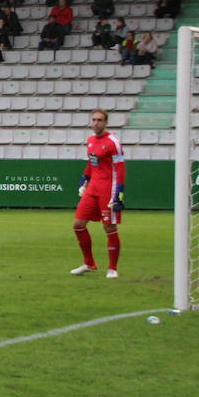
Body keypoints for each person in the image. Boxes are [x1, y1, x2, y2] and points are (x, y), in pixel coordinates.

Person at [71, 109, 124, 279]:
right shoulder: (90, 140)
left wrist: (118, 195)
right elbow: (91, 163)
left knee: (109, 227)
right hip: (93, 188)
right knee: (78, 224)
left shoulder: (112, 142)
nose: (95, 123)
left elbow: (120, 169)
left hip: (108, 190)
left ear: (106, 122)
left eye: (99, 120)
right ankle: (89, 263)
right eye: (93, 120)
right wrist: (83, 180)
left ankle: (112, 268)